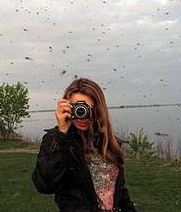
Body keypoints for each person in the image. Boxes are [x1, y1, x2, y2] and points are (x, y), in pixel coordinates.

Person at [31, 78, 137, 212]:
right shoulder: (57, 141)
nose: (81, 115)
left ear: (98, 109)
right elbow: (45, 185)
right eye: (76, 108)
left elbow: (119, 190)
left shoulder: (108, 142)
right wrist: (62, 134)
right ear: (66, 107)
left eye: (87, 108)